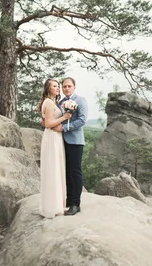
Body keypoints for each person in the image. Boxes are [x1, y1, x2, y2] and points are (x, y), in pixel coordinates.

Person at [37, 78, 72, 218]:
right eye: (55, 86)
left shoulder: (51, 102)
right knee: (53, 169)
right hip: (52, 137)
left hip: (54, 137)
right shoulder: (49, 103)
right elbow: (48, 124)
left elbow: (45, 121)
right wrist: (65, 117)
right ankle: (53, 206)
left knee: (55, 169)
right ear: (48, 88)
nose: (58, 88)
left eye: (58, 86)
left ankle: (55, 203)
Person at [58, 77, 88, 216]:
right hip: (62, 141)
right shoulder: (61, 102)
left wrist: (64, 128)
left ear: (74, 87)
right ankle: (69, 200)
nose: (67, 88)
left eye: (69, 86)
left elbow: (82, 120)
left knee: (75, 172)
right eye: (64, 86)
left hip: (75, 141)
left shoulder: (80, 100)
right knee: (67, 172)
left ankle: (76, 204)